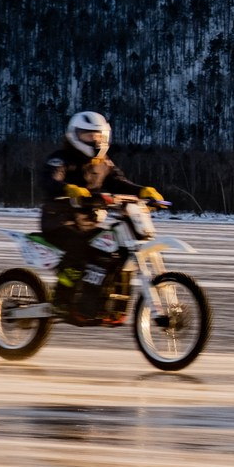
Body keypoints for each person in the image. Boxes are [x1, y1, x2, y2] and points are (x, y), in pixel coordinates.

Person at [38, 111, 151, 318]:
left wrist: (141, 191)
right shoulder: (60, 159)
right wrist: (67, 188)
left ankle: (99, 301)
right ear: (74, 135)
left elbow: (118, 182)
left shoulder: (103, 163)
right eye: (88, 135)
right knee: (80, 249)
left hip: (88, 223)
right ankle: (61, 299)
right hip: (59, 221)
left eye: (98, 135)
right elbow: (50, 180)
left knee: (111, 249)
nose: (94, 140)